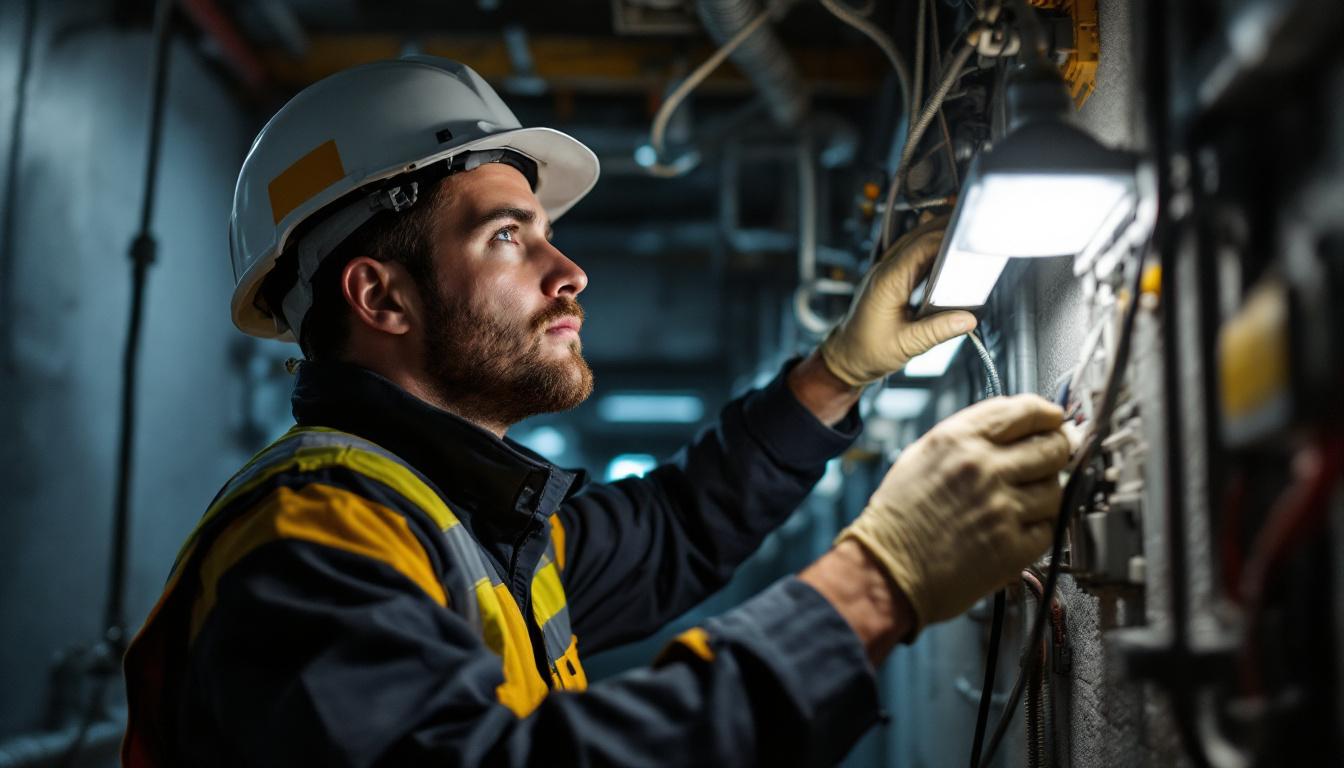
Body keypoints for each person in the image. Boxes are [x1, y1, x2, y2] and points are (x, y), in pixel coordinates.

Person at [122, 57, 1069, 767]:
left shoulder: (459, 518)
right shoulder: (315, 536)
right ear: (383, 300)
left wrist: (836, 373)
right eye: (507, 236)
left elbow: (675, 529)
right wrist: (875, 584)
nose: (569, 272)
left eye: (550, 235)